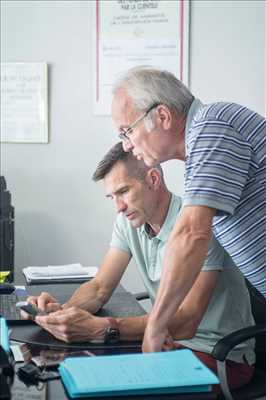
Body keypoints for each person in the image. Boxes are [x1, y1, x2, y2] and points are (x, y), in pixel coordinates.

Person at [25, 143, 255, 390]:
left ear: (153, 179)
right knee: (78, 375)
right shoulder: (128, 222)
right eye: (112, 197)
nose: (119, 207)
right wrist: (62, 314)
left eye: (124, 191)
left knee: (111, 387)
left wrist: (103, 328)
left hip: (219, 355)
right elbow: (100, 288)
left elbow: (187, 320)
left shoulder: (197, 226)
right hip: (163, 342)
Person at [111, 66, 266, 352]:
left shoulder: (213, 126)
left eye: (127, 131)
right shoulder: (200, 148)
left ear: (162, 116)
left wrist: (156, 325)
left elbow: (192, 232)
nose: (126, 144)